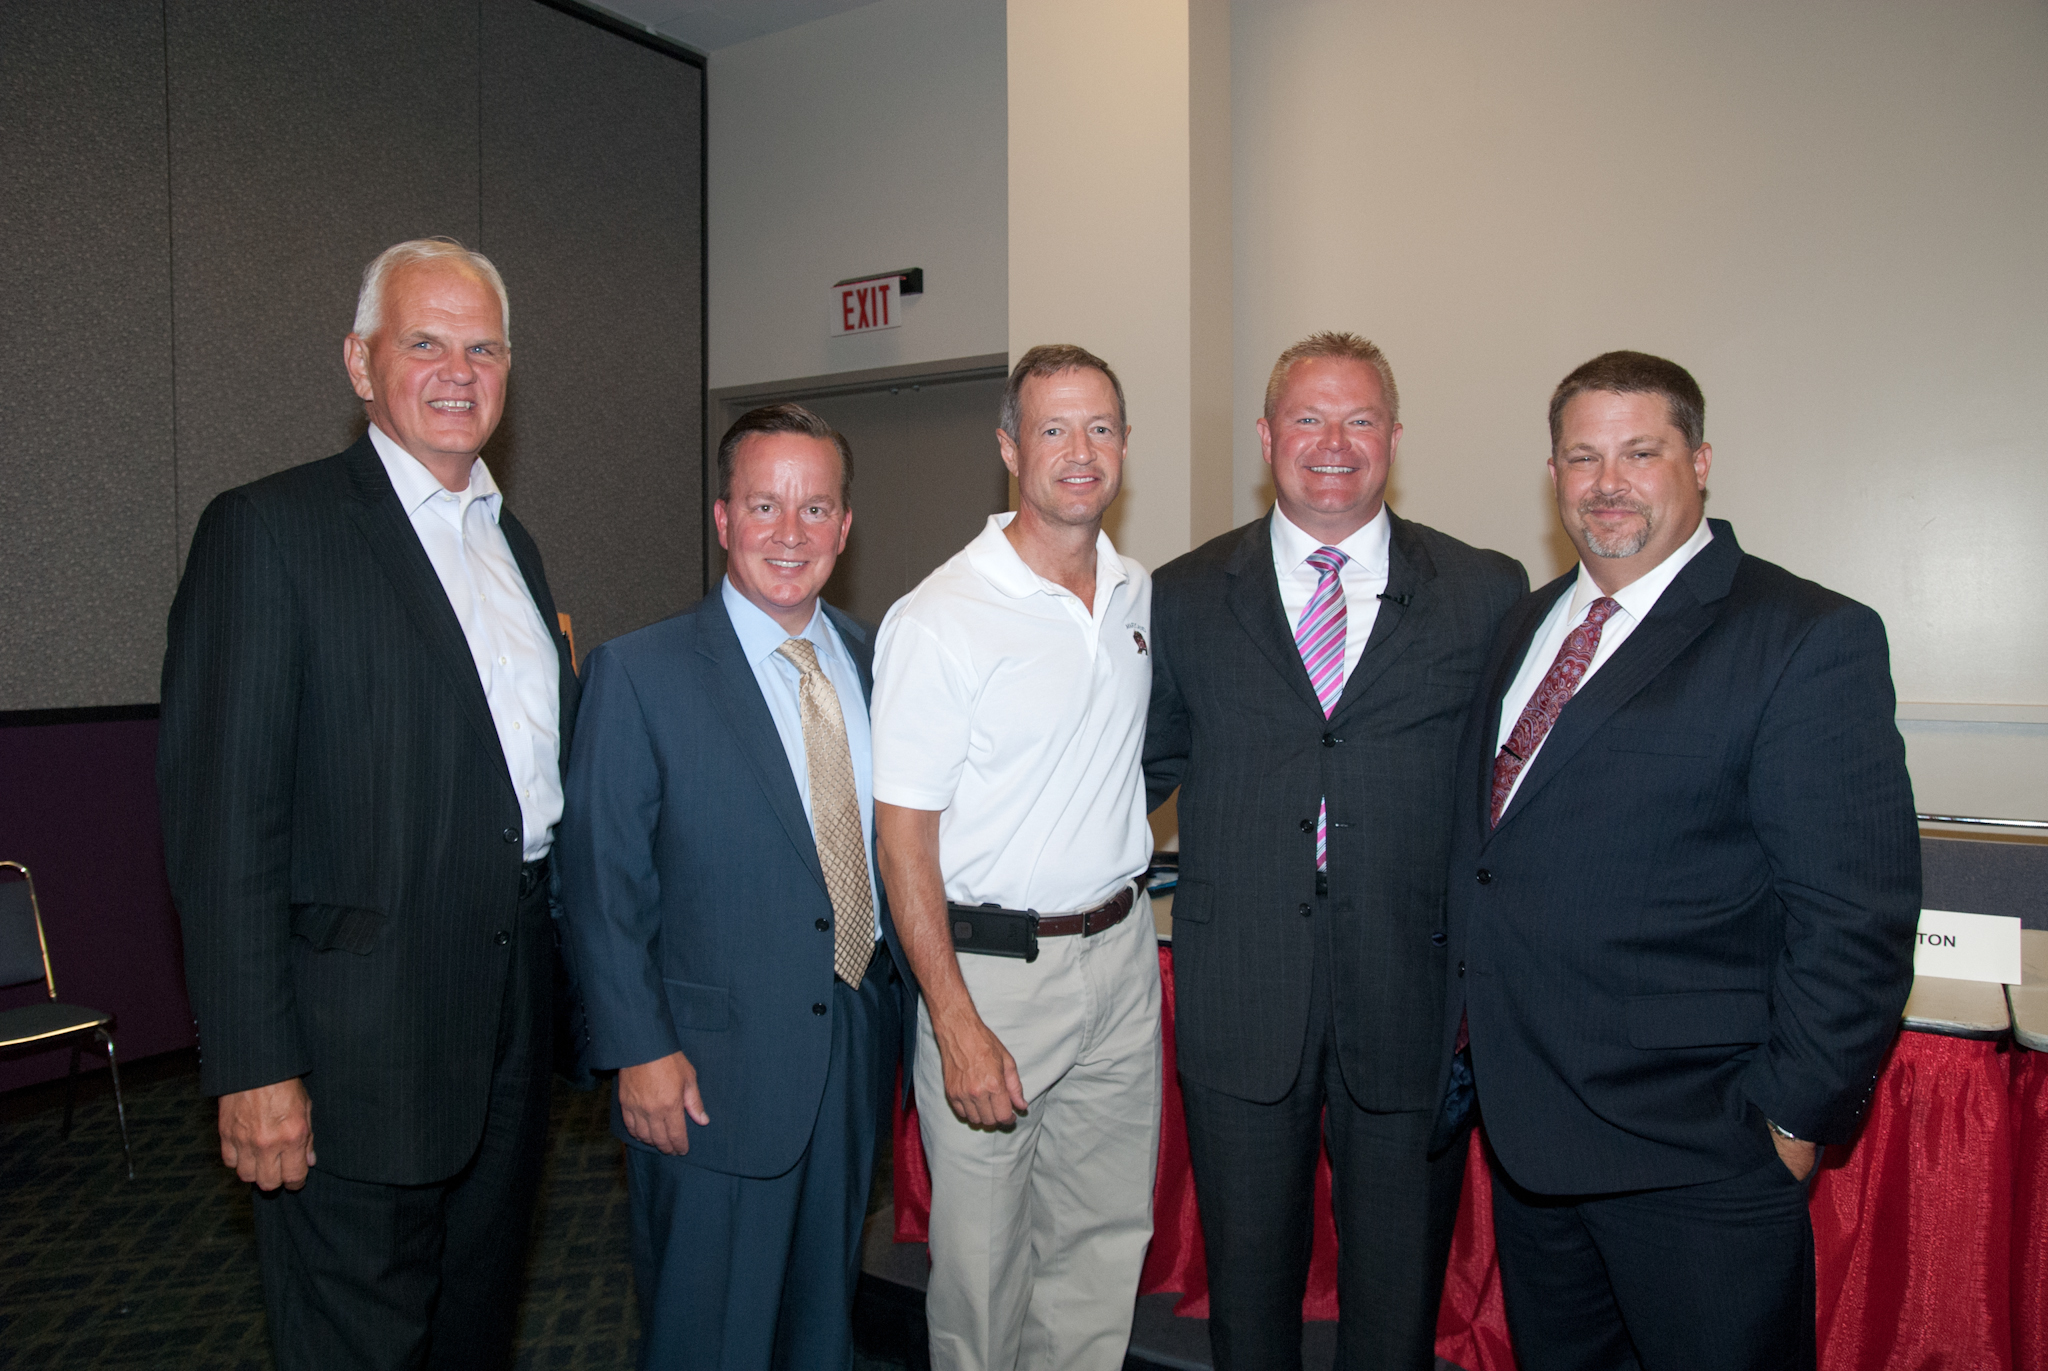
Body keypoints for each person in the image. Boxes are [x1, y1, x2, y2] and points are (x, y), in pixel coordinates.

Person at [1431, 351, 1919, 1370]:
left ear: (1698, 462)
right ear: (1553, 473)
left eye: (1638, 452)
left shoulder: (1801, 638)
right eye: (1580, 456)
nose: (1605, 482)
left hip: (1697, 1151)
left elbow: (1852, 915)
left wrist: (1788, 1122)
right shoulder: (1525, 624)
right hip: (1530, 1138)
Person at [158, 237, 579, 1369]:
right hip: (353, 1055)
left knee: (473, 1329)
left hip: (506, 1026)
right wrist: (251, 1064)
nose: (458, 369)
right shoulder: (271, 532)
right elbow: (223, 829)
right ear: (359, 362)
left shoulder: (514, 548)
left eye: (482, 347)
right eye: (424, 342)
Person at [1144, 332, 1526, 1369]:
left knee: (1394, 1301)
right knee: (1249, 1298)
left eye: (1358, 420)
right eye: (1307, 418)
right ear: (1266, 437)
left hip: (1409, 997)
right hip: (1240, 999)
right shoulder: (1177, 597)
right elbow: (1130, 774)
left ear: (1392, 440)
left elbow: (1515, 792)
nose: (1332, 443)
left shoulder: (1484, 591)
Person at [554, 403, 906, 1371]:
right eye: (763, 505)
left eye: (814, 509)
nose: (788, 534)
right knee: (709, 1335)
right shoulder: (640, 673)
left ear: (844, 526)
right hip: (703, 1076)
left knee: (820, 1324)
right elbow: (599, 887)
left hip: (851, 1049)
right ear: (721, 519)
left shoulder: (884, 663)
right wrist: (638, 1051)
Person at [872, 345, 1160, 1371]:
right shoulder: (939, 618)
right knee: (983, 1273)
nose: (1077, 453)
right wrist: (952, 1020)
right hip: (993, 978)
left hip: (1121, 966)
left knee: (1097, 1253)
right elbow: (901, 839)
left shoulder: (1134, 595)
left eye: (1098, 429)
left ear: (1124, 445)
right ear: (1007, 449)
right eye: (1050, 429)